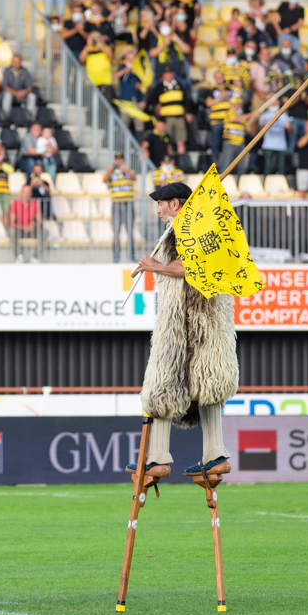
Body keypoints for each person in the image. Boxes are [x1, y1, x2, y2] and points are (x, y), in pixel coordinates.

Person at [127, 182, 236, 485]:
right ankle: (212, 455)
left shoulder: (194, 228)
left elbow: (191, 267)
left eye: (161, 204)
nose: (158, 210)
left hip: (192, 321)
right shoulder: (188, 229)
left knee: (174, 381)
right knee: (196, 382)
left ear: (175, 203)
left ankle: (159, 459)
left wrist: (154, 266)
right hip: (193, 321)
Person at [147, 67, 191, 157]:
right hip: (166, 119)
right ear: (163, 75)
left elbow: (186, 100)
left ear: (173, 74)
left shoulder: (180, 85)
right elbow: (152, 101)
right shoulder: (159, 88)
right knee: (166, 141)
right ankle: (167, 161)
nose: (168, 76)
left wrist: (188, 113)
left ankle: (181, 162)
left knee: (181, 140)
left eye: (170, 73)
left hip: (179, 117)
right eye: (166, 74)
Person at [105, 152, 136, 262]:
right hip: (116, 204)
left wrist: (126, 170)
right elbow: (104, 180)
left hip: (128, 203)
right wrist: (109, 170)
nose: (119, 161)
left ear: (124, 160)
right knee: (116, 230)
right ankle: (116, 255)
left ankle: (131, 254)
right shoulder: (112, 173)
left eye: (121, 159)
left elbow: (134, 178)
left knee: (130, 231)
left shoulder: (129, 171)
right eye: (117, 159)